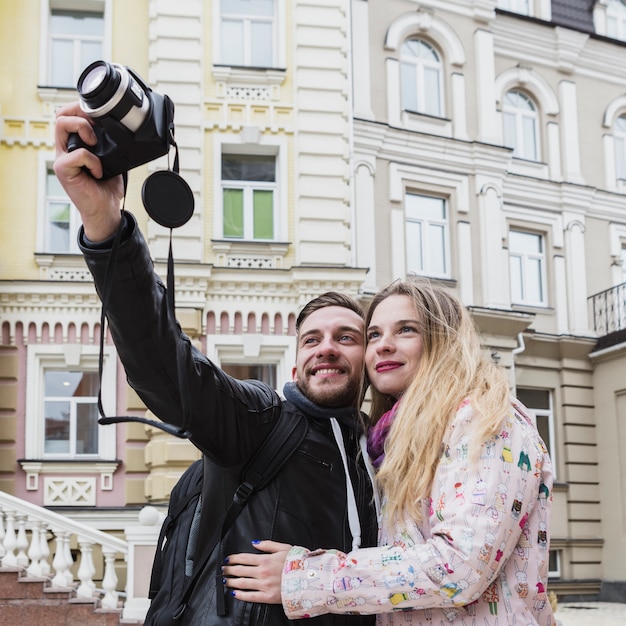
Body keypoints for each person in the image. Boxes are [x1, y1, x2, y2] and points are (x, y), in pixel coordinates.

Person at [53, 101, 378, 625]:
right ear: (296, 364)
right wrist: (105, 223)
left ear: (369, 358)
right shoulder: (260, 420)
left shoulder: (375, 450)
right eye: (312, 339)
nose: (327, 347)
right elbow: (166, 366)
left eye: (347, 337)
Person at [223, 280, 556, 626]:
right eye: (374, 335)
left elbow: (459, 566)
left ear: (443, 340)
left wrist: (303, 577)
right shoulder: (390, 441)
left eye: (406, 330)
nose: (383, 346)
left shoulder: (486, 418)